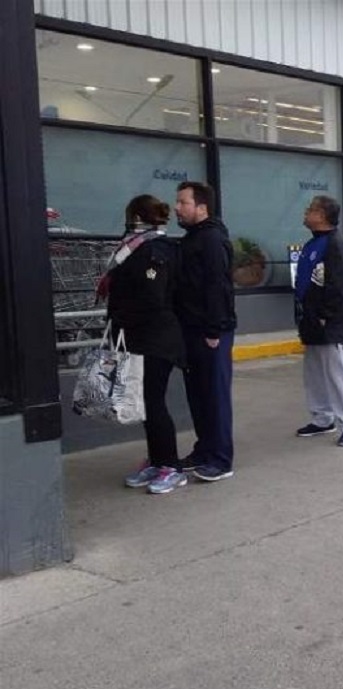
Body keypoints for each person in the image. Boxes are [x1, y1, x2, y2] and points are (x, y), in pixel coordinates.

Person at [105, 195, 187, 495]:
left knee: (154, 403)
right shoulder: (139, 248)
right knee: (144, 404)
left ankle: (172, 467)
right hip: (141, 338)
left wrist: (122, 316)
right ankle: (156, 460)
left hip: (155, 339)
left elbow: (152, 297)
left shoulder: (153, 250)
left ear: (137, 216)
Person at [174, 181, 237, 482]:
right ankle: (203, 449)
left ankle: (221, 459)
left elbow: (218, 286)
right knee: (198, 395)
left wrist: (214, 329)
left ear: (201, 207)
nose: (177, 207)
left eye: (183, 202)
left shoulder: (211, 239)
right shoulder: (191, 239)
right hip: (191, 329)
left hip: (211, 331)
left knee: (215, 396)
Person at [294, 195, 343, 446]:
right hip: (311, 320)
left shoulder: (337, 246)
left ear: (322, 216)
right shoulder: (312, 244)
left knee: (337, 373)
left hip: (331, 323)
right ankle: (322, 418)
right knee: (314, 373)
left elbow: (342, 286)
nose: (305, 212)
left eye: (310, 209)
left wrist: (325, 315)